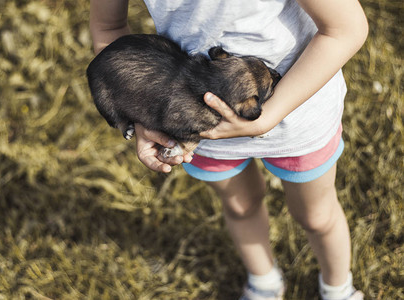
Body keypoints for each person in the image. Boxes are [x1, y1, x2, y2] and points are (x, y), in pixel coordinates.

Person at [89, 0, 369, 299]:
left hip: (299, 119)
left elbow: (346, 28)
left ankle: (338, 288)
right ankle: (264, 282)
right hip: (198, 129)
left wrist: (268, 118)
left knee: (317, 216)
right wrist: (140, 115)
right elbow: (109, 28)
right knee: (239, 206)